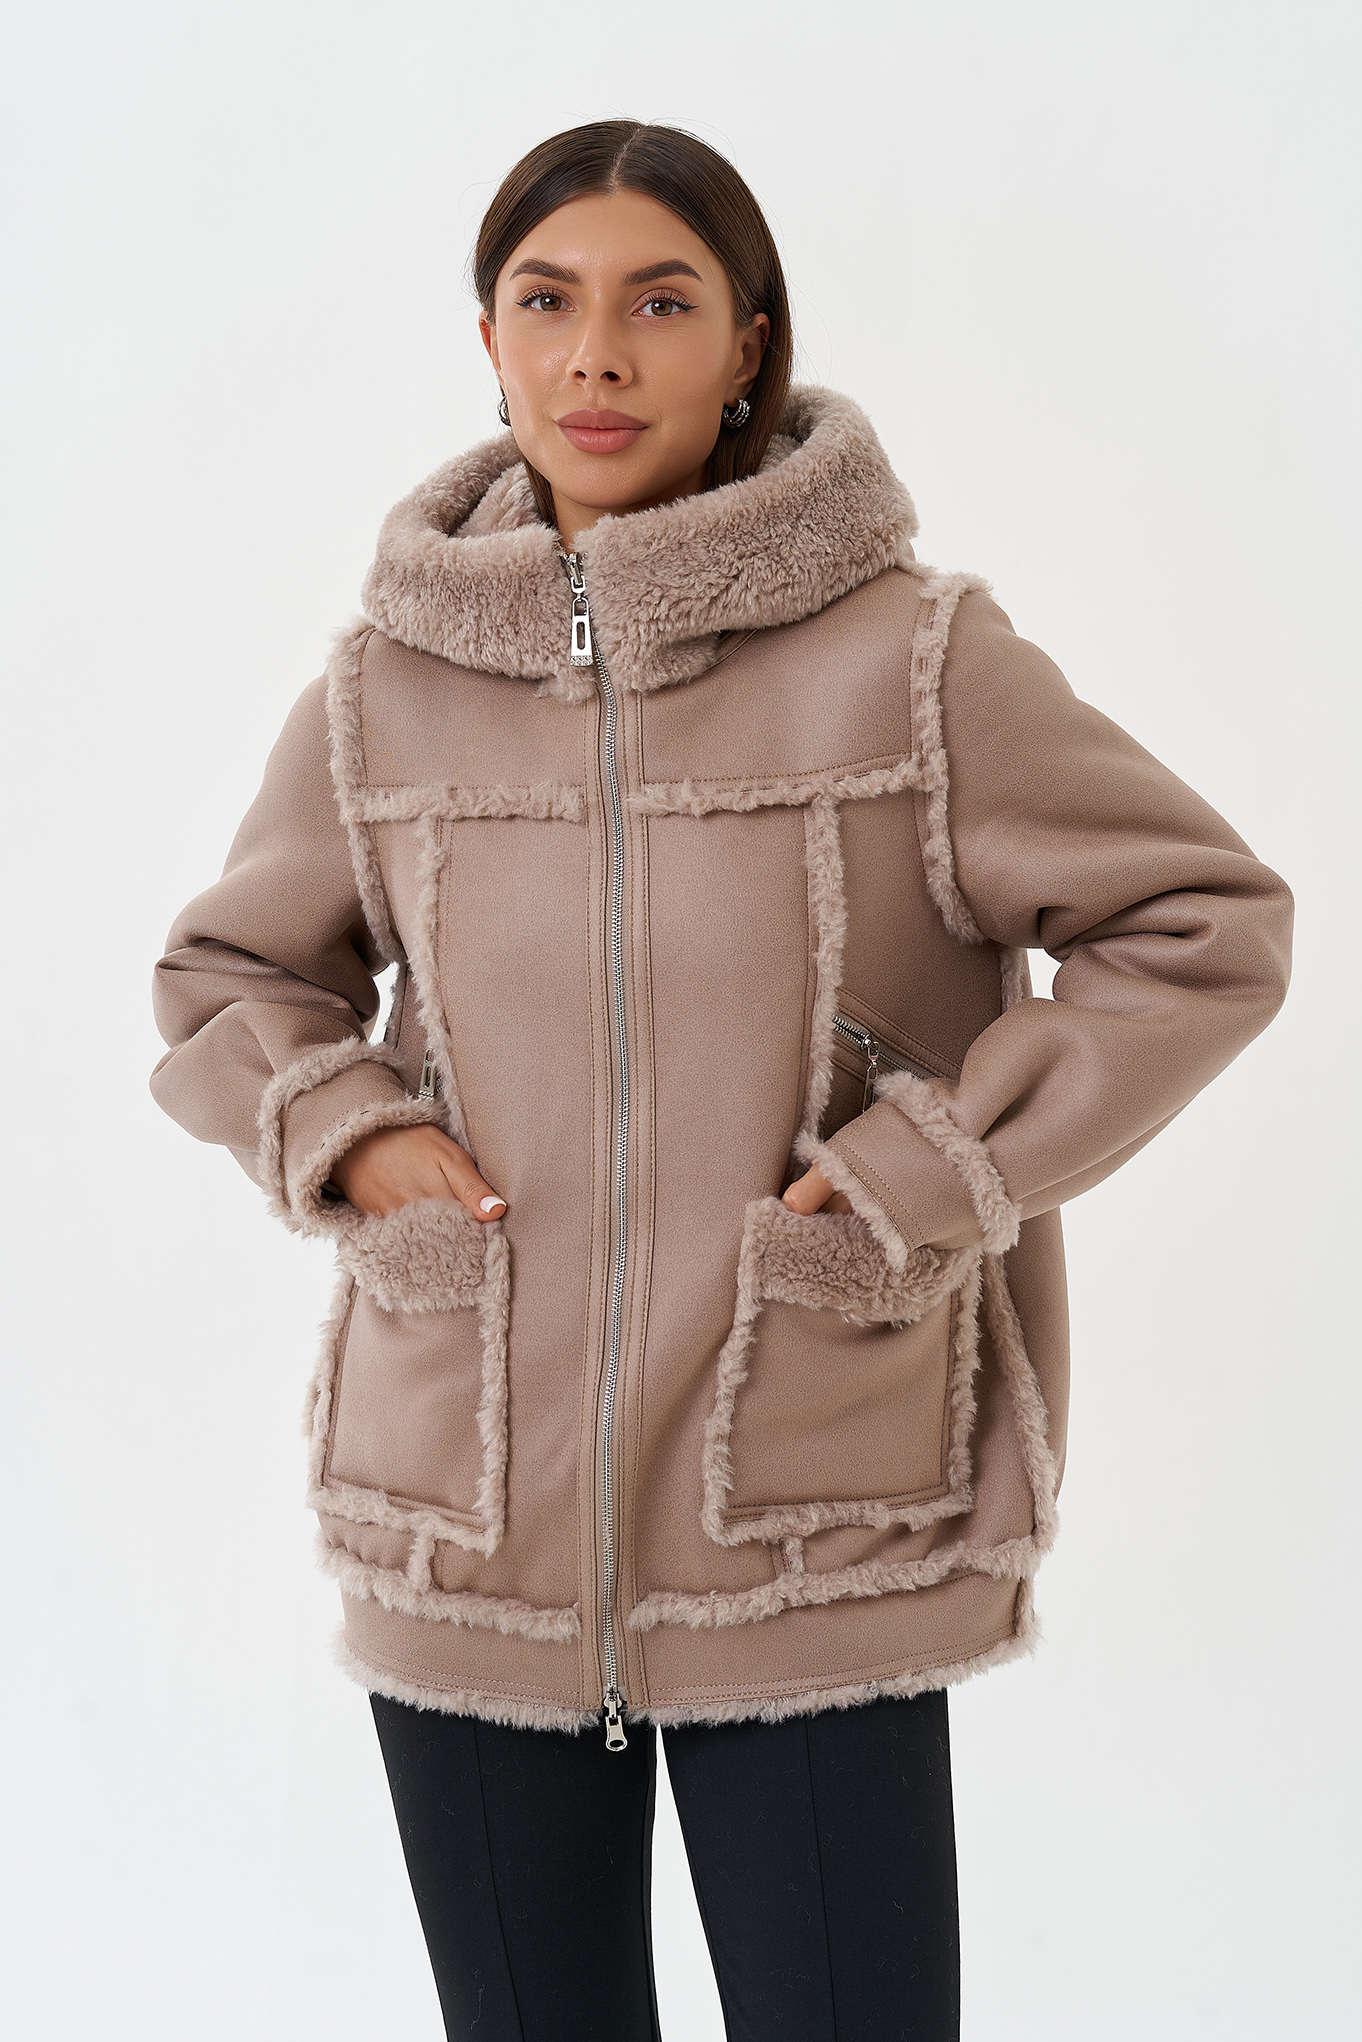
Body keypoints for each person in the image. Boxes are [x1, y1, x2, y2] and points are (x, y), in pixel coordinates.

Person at [150, 119, 1292, 2041]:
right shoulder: (385, 689)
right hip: (469, 1508)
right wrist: (351, 1136)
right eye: (547, 301)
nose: (596, 353)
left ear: (747, 343)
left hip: (810, 1497)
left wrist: (931, 1168)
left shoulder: (911, 662)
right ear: (490, 342)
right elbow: (226, 978)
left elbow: (1201, 920)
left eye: (660, 303)